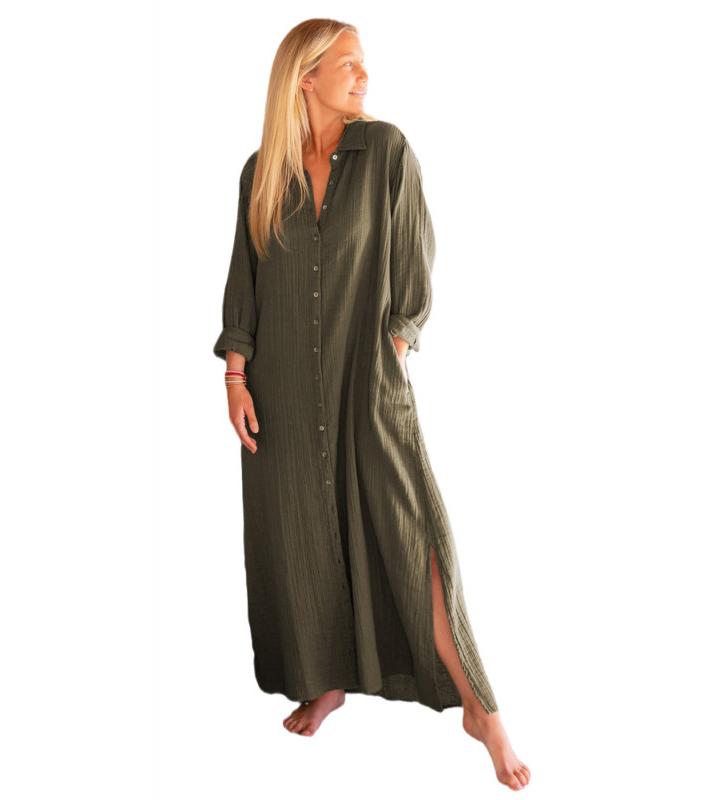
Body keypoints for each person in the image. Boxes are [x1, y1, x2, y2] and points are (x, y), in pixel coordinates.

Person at [213, 18, 531, 792]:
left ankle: (480, 707)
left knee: (412, 534)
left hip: (367, 378)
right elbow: (244, 280)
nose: (364, 75)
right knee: (299, 542)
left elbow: (416, 256)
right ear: (305, 77)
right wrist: (235, 377)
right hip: (281, 391)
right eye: (348, 64)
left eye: (363, 63)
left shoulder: (386, 150)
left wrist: (398, 337)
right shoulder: (262, 171)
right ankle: (324, 682)